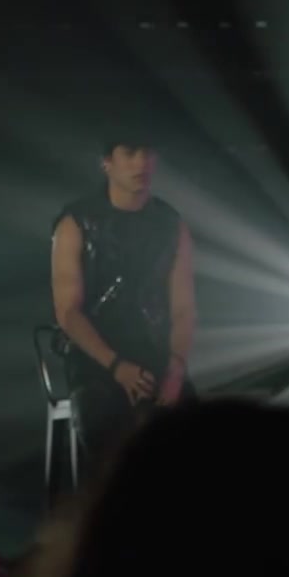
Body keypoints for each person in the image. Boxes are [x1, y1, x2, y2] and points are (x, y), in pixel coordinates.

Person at [50, 138, 196, 476]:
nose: (141, 163)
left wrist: (175, 369)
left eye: (148, 153)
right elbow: (68, 312)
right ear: (107, 162)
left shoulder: (171, 223)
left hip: (155, 353)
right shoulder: (75, 222)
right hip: (95, 359)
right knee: (108, 437)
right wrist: (116, 366)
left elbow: (184, 308)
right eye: (130, 153)